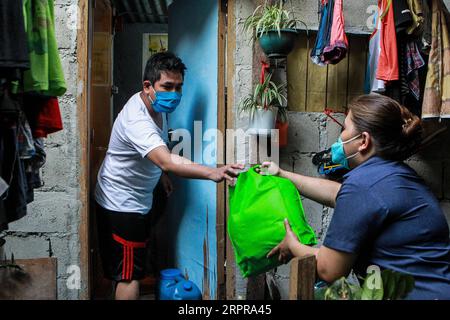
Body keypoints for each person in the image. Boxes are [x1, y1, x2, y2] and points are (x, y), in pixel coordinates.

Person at [259, 94, 450, 299]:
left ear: (363, 141)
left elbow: (328, 269)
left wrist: (293, 245)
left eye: (345, 128)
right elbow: (337, 194)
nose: (340, 137)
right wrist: (282, 174)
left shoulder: (363, 185)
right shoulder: (392, 175)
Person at [94, 52, 243, 300]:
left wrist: (160, 174)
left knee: (129, 265)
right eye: (167, 87)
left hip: (137, 198)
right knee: (128, 275)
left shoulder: (156, 106)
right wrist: (213, 172)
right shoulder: (136, 120)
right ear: (148, 86)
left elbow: (155, 152)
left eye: (179, 87)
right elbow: (165, 158)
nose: (174, 94)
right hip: (120, 203)